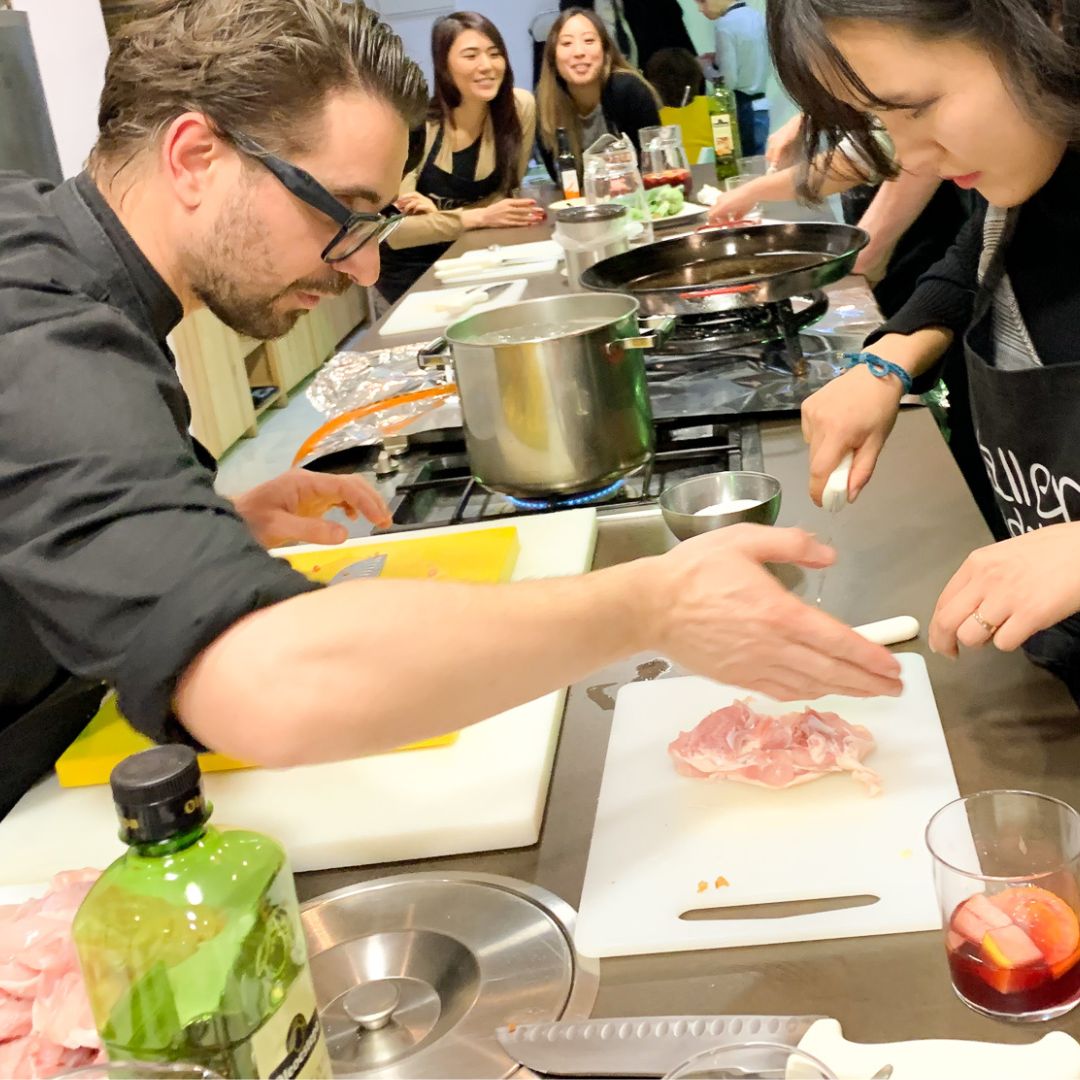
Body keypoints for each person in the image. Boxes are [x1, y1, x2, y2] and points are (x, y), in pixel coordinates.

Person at [0, 0, 903, 821]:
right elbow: (267, 681)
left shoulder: (60, 267)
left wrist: (191, 533)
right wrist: (656, 605)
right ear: (196, 158)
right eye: (345, 216)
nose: (360, 269)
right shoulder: (37, 325)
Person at [766, 0, 1080, 701]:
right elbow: (978, 252)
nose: (907, 159)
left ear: (1043, 23)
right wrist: (890, 359)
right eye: (883, 122)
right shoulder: (1037, 162)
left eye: (917, 108)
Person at [376, 12, 541, 305]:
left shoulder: (520, 108)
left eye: (494, 53)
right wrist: (478, 216)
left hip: (472, 252)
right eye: (470, 55)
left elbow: (505, 198)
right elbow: (397, 232)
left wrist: (438, 216)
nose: (487, 66)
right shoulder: (417, 126)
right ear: (444, 67)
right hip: (410, 269)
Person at [536, 7, 661, 180]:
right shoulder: (544, 105)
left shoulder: (629, 90)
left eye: (588, 41)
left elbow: (656, 166)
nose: (579, 52)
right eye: (566, 43)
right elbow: (562, 180)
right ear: (552, 56)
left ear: (605, 51)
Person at [694, 0, 771, 156]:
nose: (700, 10)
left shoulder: (725, 26)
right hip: (762, 106)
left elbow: (727, 82)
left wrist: (704, 67)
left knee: (746, 167)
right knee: (759, 163)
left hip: (743, 111)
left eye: (702, 2)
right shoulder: (757, 17)